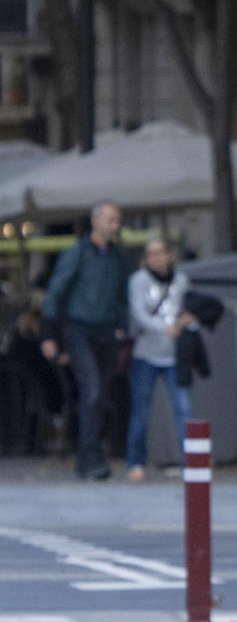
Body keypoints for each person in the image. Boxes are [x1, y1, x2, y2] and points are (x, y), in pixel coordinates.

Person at [40, 202, 130, 480]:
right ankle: (90, 456)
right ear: (95, 221)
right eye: (110, 220)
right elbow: (55, 293)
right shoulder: (77, 253)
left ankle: (89, 457)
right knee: (90, 390)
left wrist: (121, 327)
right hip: (78, 331)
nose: (114, 225)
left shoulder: (118, 257)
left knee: (101, 395)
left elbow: (122, 296)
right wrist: (49, 335)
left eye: (117, 220)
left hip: (106, 333)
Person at [124, 237, 195, 481]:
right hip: (146, 354)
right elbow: (138, 313)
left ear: (168, 255)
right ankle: (135, 461)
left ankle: (191, 463)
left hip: (174, 355)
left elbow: (188, 308)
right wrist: (164, 327)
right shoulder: (138, 281)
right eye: (151, 254)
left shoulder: (181, 280)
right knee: (140, 412)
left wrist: (186, 321)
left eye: (160, 253)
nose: (156, 258)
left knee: (183, 409)